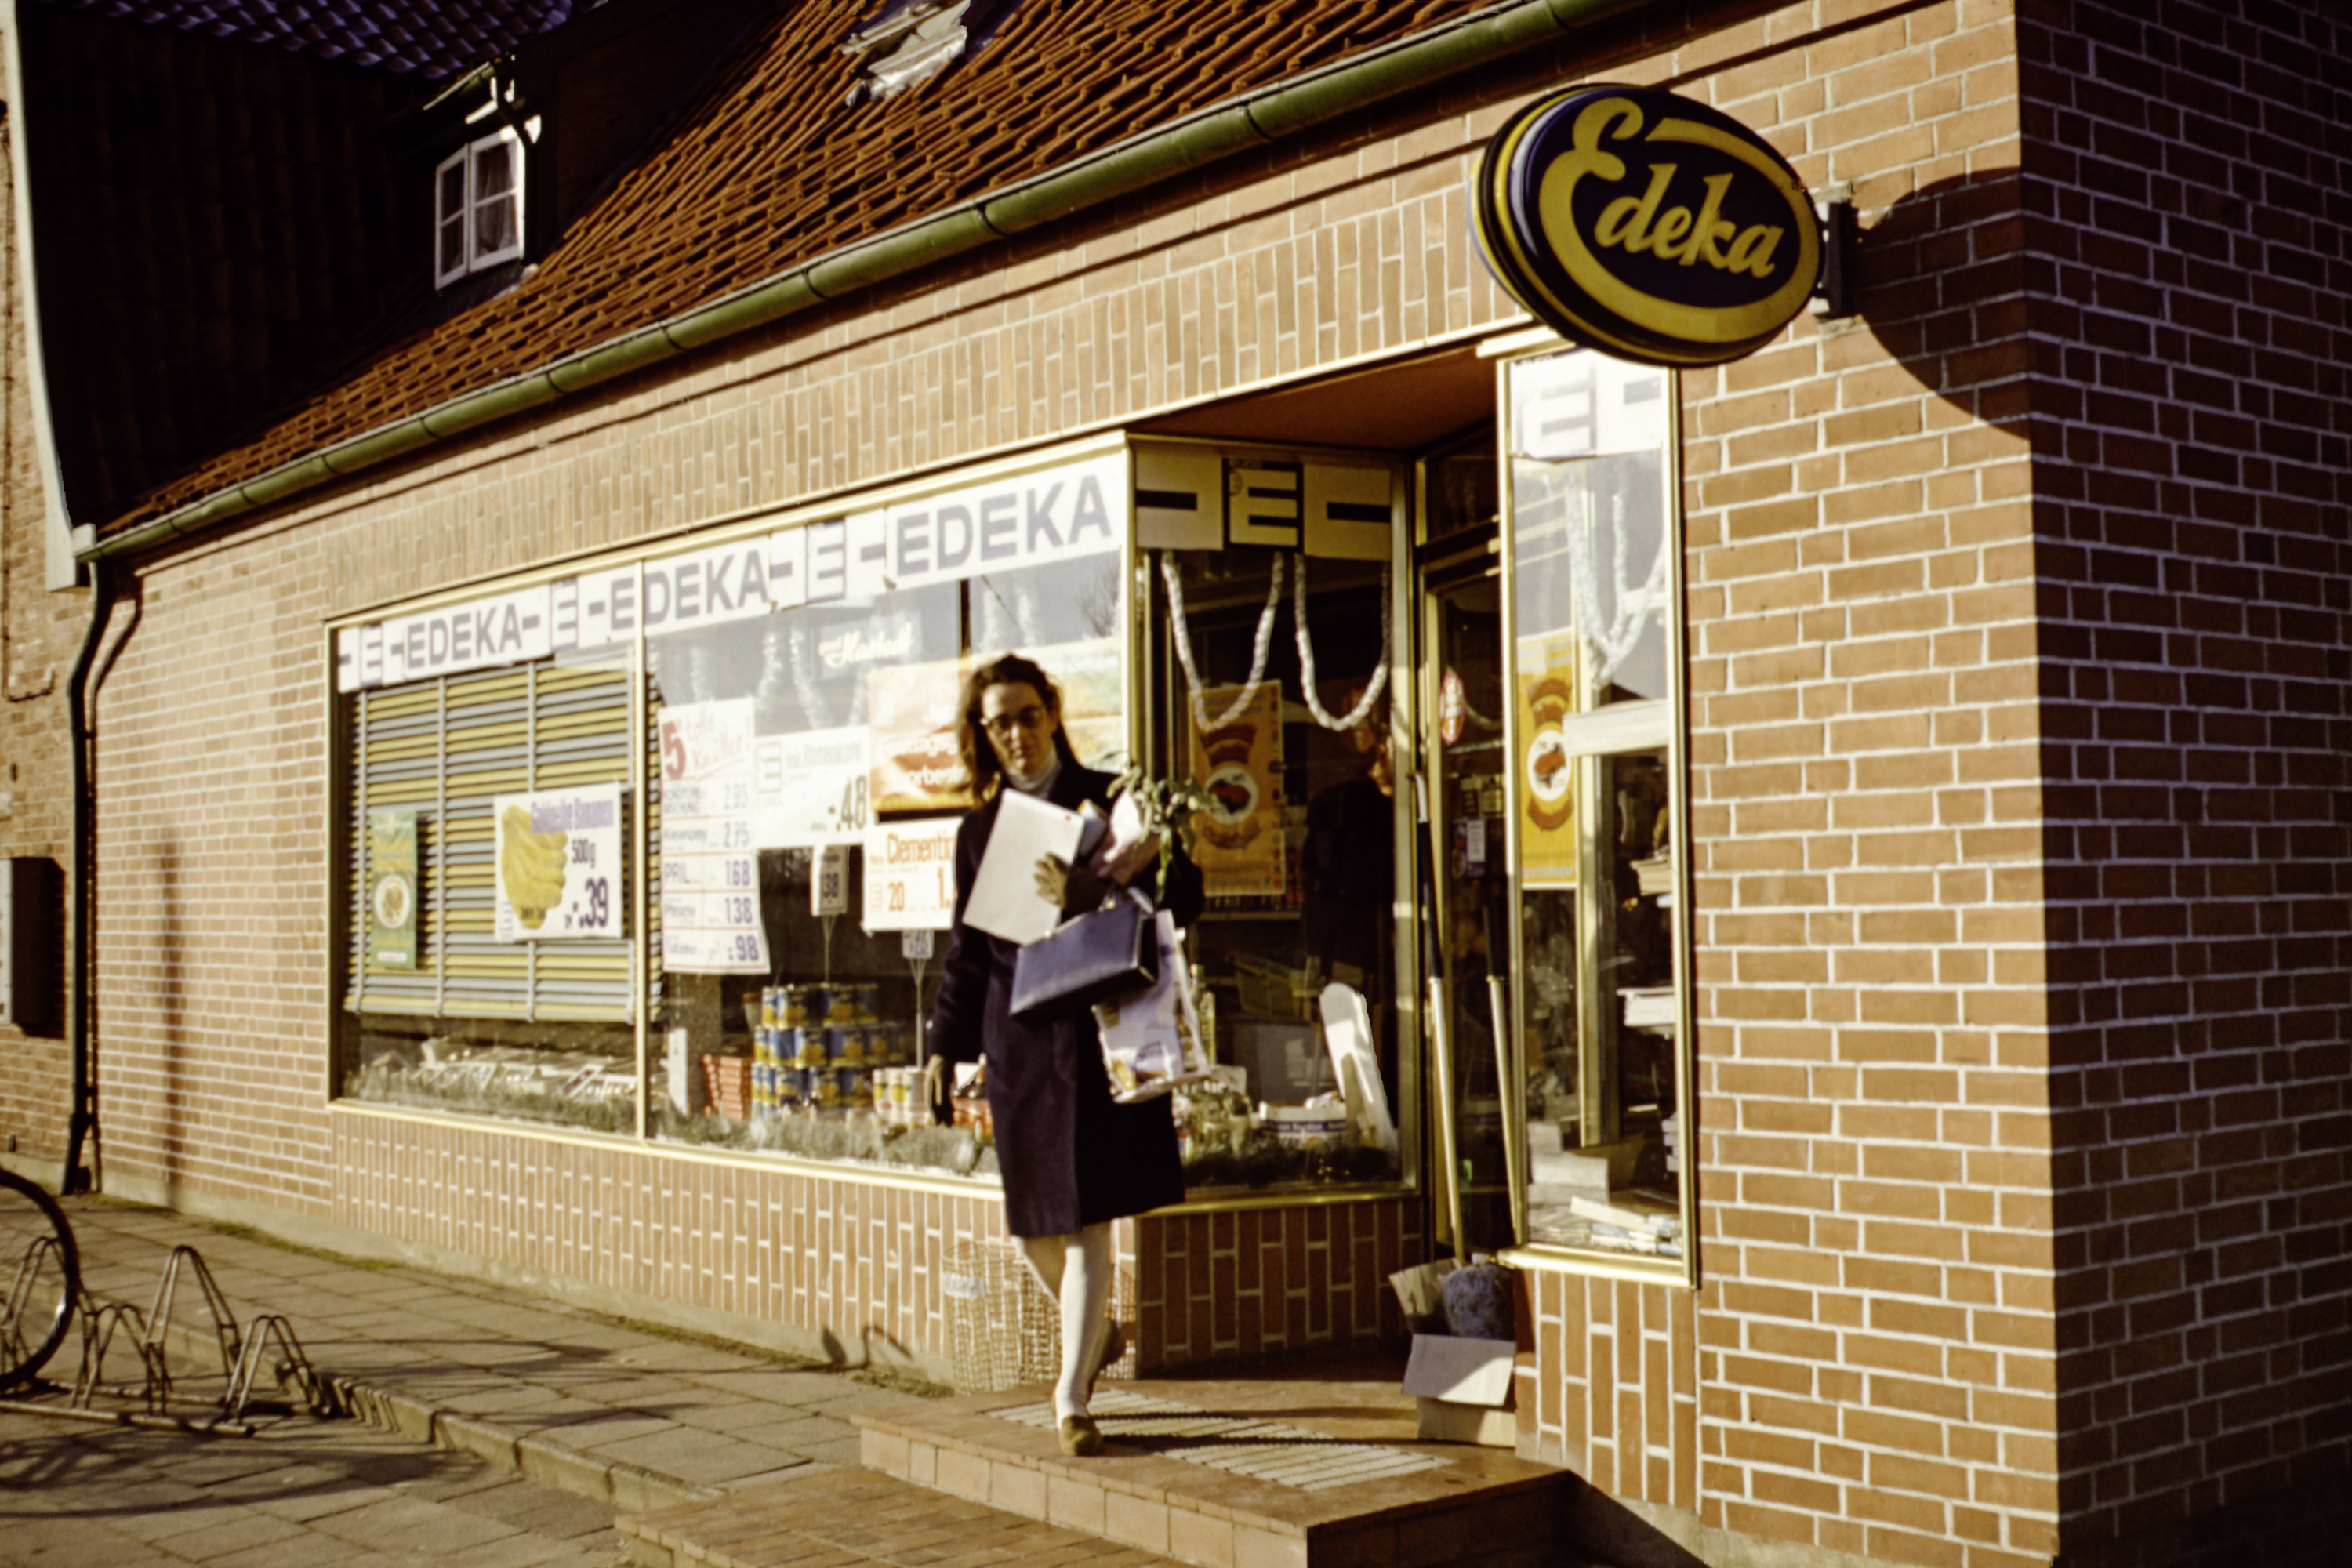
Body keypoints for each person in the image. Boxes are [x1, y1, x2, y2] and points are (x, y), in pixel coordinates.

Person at [924, 653, 1202, 1457]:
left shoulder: (1112, 800)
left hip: (1100, 1039)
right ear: (984, 734)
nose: (1017, 733)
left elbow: (1188, 895)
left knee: (1088, 1223)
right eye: (999, 722)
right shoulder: (979, 831)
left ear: (1051, 711)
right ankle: (1098, 1333)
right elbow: (968, 954)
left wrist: (1103, 892)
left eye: (1028, 714)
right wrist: (943, 1043)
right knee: (1032, 1226)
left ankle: (1071, 1397)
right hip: (1020, 1048)